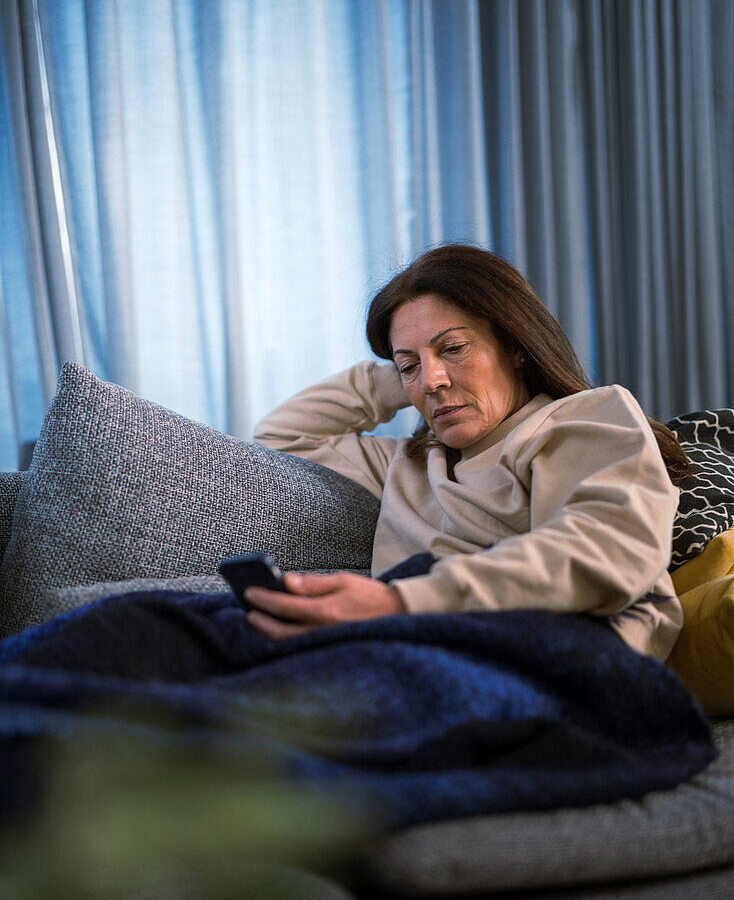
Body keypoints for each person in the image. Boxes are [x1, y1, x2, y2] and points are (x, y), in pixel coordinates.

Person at [248, 244, 690, 660]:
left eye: (455, 347)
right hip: (421, 655)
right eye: (408, 366)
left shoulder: (586, 419)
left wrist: (399, 602)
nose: (430, 382)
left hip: (566, 658)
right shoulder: (407, 465)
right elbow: (282, 437)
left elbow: (604, 553)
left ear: (515, 345)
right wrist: (414, 370)